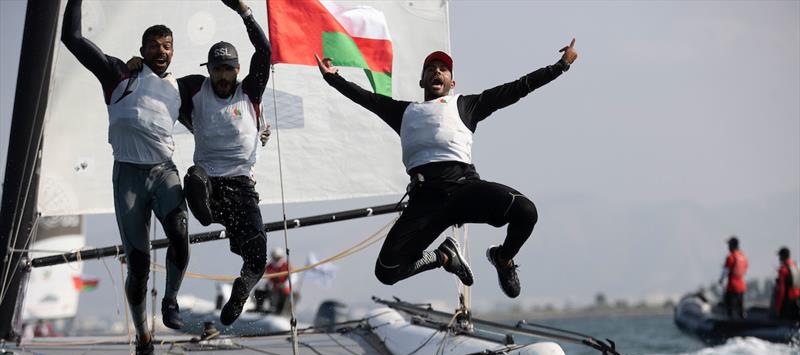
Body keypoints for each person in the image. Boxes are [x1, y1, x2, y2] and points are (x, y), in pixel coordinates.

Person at [315, 40, 578, 298]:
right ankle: (445, 257)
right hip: (425, 200)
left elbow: (517, 88)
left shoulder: (466, 105)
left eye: (443, 69)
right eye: (431, 69)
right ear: (421, 82)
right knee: (386, 271)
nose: (437, 71)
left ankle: (503, 258)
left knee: (526, 211)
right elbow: (366, 98)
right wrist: (332, 78)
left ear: (452, 83)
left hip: (465, 189)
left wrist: (560, 66)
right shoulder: (404, 112)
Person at [62, 0, 191, 355]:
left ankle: (170, 302)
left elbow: (222, 108)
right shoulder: (118, 74)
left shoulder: (179, 89)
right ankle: (144, 338)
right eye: (154, 45)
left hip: (163, 172)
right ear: (142, 49)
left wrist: (258, 126)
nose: (161, 51)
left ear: (173, 50)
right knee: (137, 266)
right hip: (129, 178)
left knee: (181, 236)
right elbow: (71, 39)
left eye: (167, 45)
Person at [129, 0, 271, 326]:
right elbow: (160, 82)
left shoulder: (250, 91)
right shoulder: (194, 88)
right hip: (206, 181)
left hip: (241, 184)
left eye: (229, 69)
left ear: (238, 70)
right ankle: (205, 214)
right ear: (209, 69)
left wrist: (245, 12)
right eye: (217, 69)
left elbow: (263, 52)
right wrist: (141, 64)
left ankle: (240, 293)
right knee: (194, 177)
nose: (223, 76)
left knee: (258, 257)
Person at [718, 236, 748, 319]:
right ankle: (742, 322)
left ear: (732, 245)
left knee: (729, 307)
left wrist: (721, 280)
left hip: (732, 287)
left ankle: (731, 324)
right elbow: (745, 269)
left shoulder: (731, 257)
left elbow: (725, 271)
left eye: (729, 245)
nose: (728, 247)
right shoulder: (743, 256)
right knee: (740, 307)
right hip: (742, 286)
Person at [773, 247, 800, 320]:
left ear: (783, 256)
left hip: (787, 303)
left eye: (780, 256)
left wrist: (778, 308)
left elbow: (781, 290)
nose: (779, 258)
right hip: (796, 300)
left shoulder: (783, 270)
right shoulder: (796, 266)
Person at [264, 248, 292, 314]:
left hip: (283, 288)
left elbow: (293, 276)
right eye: (275, 257)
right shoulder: (269, 266)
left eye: (278, 257)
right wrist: (269, 284)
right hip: (273, 287)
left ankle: (280, 311)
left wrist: (285, 284)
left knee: (283, 295)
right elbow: (266, 277)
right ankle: (262, 309)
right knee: (261, 292)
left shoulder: (286, 266)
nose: (277, 259)